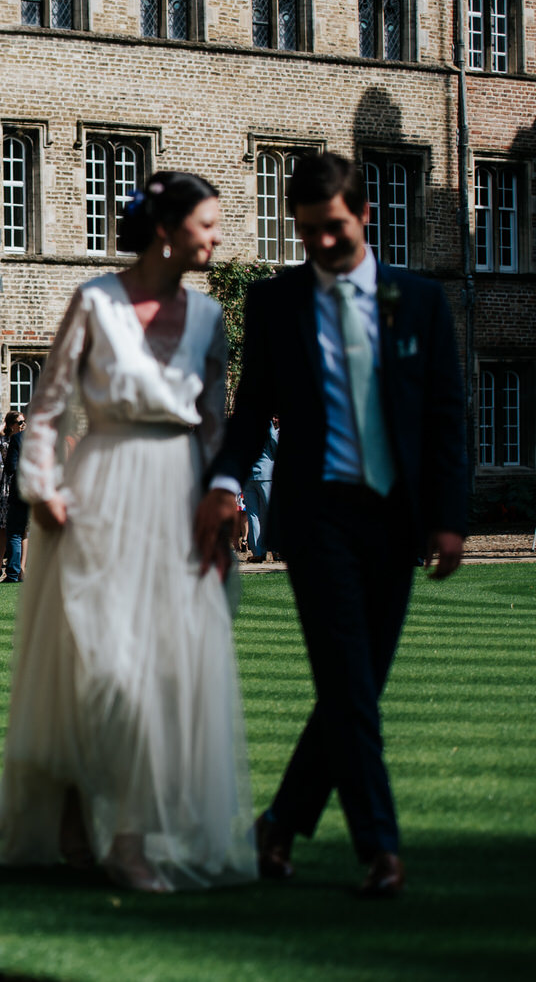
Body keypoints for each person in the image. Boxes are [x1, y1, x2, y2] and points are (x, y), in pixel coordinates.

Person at [195, 153, 468, 898]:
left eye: (334, 231)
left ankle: (279, 824)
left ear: (366, 217)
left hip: (397, 520)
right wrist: (223, 481)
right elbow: (251, 410)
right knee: (348, 683)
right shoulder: (278, 302)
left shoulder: (420, 301)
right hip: (319, 520)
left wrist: (449, 520)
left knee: (357, 690)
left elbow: (446, 417)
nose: (320, 245)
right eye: (307, 232)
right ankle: (381, 849)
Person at [0, 171, 257, 893]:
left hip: (177, 497)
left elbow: (218, 428)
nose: (218, 237)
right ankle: (70, 807)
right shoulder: (96, 300)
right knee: (99, 668)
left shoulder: (209, 320)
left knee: (161, 677)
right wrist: (41, 486)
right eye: (208, 224)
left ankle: (130, 839)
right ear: (168, 229)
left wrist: (224, 513)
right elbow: (47, 407)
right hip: (98, 492)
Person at [0, 412, 29, 583]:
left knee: (20, 530)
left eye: (24, 421)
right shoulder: (6, 442)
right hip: (8, 489)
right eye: (19, 421)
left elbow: (12, 467)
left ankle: (19, 569)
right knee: (4, 529)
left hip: (15, 487)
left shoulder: (19, 440)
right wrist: (4, 425)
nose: (23, 424)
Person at [244, 418, 279, 563]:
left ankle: (258, 552)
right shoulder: (265, 422)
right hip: (265, 470)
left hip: (247, 473)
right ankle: (277, 549)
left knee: (253, 515)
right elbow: (273, 440)